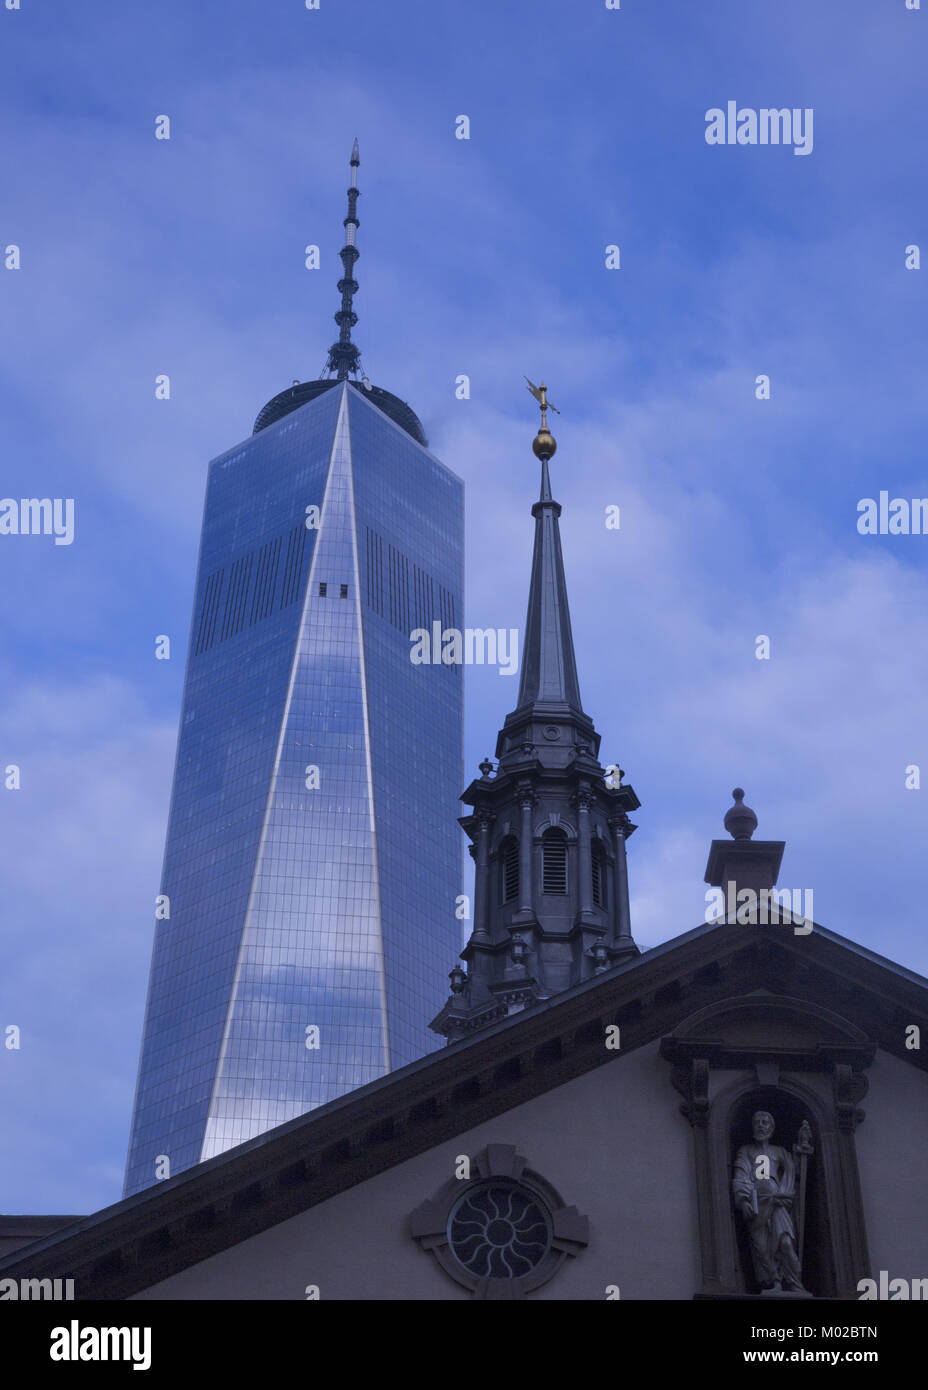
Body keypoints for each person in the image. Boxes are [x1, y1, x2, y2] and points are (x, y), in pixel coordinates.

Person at [732, 1110, 807, 1292]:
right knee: (763, 1248)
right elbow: (741, 1176)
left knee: (785, 1243)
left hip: (778, 1201)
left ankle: (795, 1284)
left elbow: (793, 1172)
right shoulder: (746, 1151)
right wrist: (743, 1201)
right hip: (758, 1202)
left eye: (765, 1122)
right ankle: (775, 1282)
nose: (760, 1125)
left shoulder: (779, 1152)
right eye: (757, 1122)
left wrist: (801, 1151)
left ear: (772, 1128)